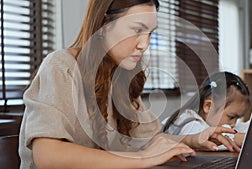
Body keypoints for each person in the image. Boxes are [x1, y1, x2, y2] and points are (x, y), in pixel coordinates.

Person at [18, 1, 240, 169]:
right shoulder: (61, 66)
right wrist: (140, 159)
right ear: (104, 24)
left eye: (150, 33)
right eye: (137, 30)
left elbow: (148, 140)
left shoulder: (120, 76)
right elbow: (47, 155)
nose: (145, 44)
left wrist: (193, 139)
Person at [163, 71, 252, 149]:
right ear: (208, 107)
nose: (234, 123)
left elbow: (238, 128)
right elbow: (220, 140)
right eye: (231, 117)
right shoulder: (190, 125)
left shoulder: (210, 120)